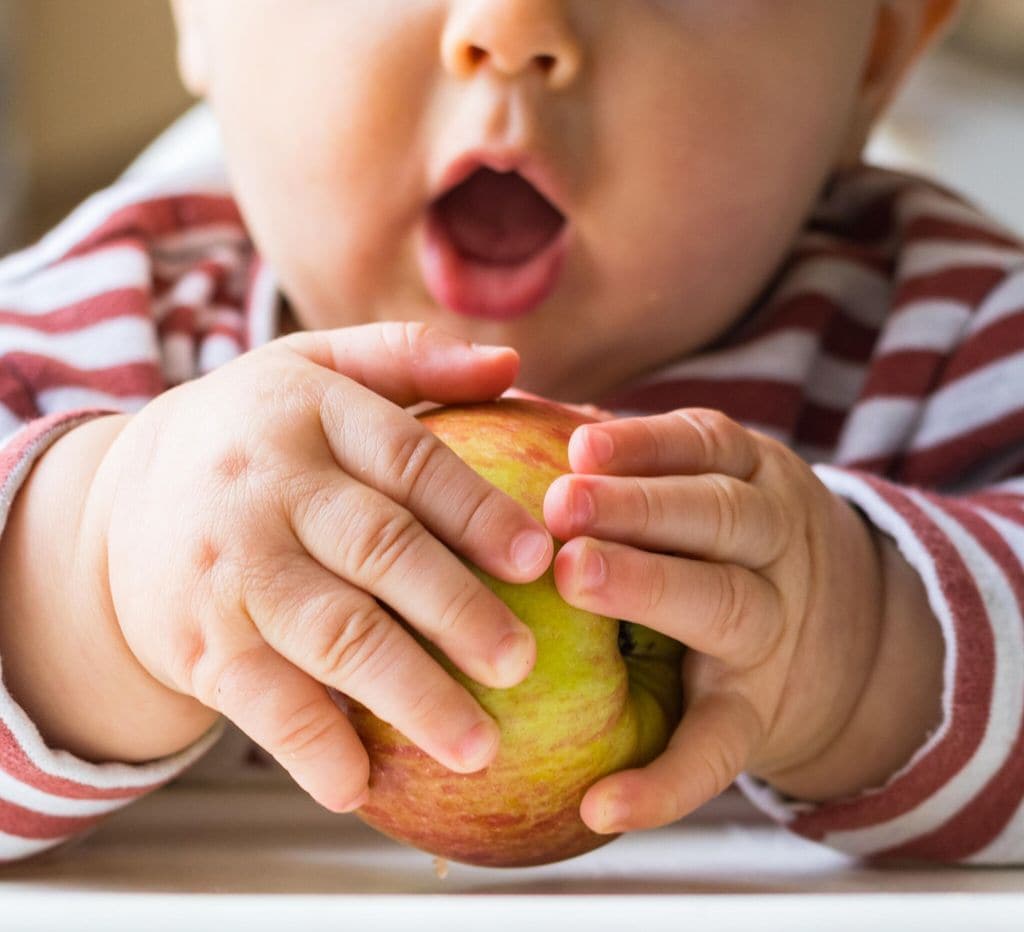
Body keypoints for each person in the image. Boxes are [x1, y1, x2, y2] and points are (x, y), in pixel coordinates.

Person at [1, 0, 1021, 866]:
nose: (513, 25)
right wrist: (92, 565)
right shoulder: (82, 339)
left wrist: (860, 646)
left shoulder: (955, 347)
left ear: (879, 48)